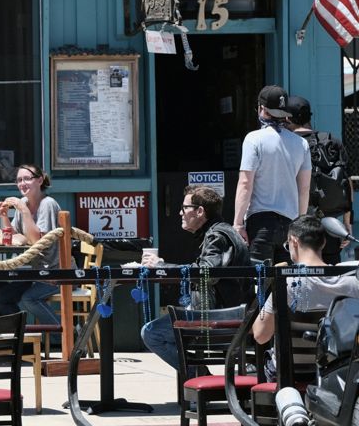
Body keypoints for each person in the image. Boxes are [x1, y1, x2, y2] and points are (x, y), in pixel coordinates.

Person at [140, 186, 250, 372]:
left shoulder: (217, 235)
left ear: (200, 211)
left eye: (184, 208)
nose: (180, 212)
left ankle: (197, 375)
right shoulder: (220, 231)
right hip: (227, 309)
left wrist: (160, 266)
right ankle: (197, 374)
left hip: (220, 314)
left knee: (152, 333)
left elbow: (206, 273)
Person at [252, 215, 359, 350]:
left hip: (294, 369)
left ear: (294, 241)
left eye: (287, 245)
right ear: (323, 243)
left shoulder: (286, 284)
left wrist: (269, 285)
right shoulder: (352, 279)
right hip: (339, 368)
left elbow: (260, 336)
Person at [235, 85, 312, 264]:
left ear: (262, 109)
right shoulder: (301, 144)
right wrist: (298, 225)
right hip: (289, 223)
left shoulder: (253, 139)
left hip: (261, 222)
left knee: (260, 283)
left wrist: (238, 224)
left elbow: (245, 184)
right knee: (285, 286)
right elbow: (304, 189)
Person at [285, 95, 353, 263]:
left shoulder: (287, 144)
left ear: (287, 118)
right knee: (330, 273)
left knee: (295, 277)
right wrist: (346, 223)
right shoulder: (331, 141)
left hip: (296, 223)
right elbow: (346, 181)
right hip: (330, 222)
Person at [0, 164, 62, 325]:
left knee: (29, 299)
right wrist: (4, 217)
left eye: (27, 179)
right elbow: (15, 235)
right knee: (1, 298)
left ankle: (70, 336)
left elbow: (37, 241)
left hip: (54, 273)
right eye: (19, 180)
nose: (22, 183)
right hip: (32, 272)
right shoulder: (23, 202)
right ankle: (23, 340)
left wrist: (23, 210)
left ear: (39, 180)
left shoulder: (47, 204)